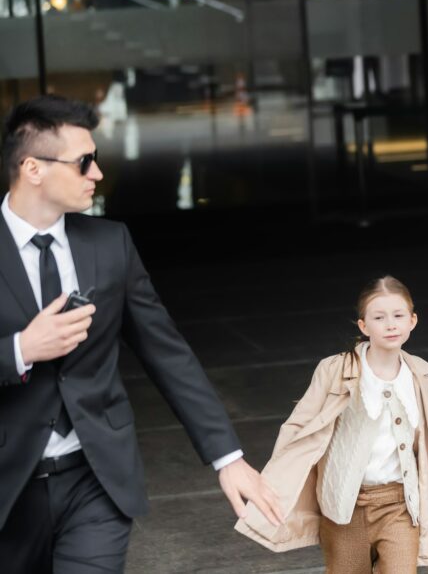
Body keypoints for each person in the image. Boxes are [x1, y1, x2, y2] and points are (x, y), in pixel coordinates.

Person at [0, 95, 280, 572]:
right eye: (84, 162)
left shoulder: (111, 245)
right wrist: (22, 349)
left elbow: (167, 353)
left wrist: (227, 457)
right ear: (33, 168)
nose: (97, 174)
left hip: (97, 483)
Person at [236, 275, 428, 573]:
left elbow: (419, 437)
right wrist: (278, 478)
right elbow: (298, 427)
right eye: (379, 318)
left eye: (398, 316)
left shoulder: (417, 375)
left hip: (400, 505)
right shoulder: (336, 370)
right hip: (345, 508)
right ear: (364, 326)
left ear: (412, 321)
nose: (390, 324)